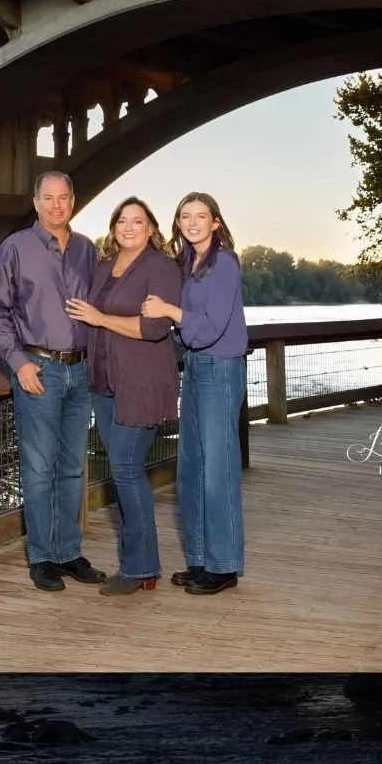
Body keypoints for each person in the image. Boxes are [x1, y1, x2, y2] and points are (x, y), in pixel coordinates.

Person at [0, 170, 107, 592]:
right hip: (38, 370)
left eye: (64, 197)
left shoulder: (88, 250)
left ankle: (69, 552)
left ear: (73, 201)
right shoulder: (15, 248)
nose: (56, 205)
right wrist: (18, 363)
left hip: (81, 370)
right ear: (35, 202)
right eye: (48, 198)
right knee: (38, 469)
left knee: (72, 468)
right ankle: (41, 558)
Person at [65, 198, 182, 596]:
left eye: (138, 221)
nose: (129, 227)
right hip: (103, 384)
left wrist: (100, 319)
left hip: (141, 383)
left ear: (151, 228)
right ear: (113, 227)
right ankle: (144, 566)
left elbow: (155, 328)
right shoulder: (102, 268)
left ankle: (139, 568)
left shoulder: (161, 268)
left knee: (127, 469)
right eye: (122, 221)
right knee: (123, 471)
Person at [141, 192, 248, 595]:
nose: (192, 222)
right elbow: (189, 332)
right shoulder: (188, 264)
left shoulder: (223, 263)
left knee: (218, 471)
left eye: (200, 216)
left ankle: (225, 566)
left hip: (220, 370)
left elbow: (214, 324)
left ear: (216, 222)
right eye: (185, 216)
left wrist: (170, 312)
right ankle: (201, 560)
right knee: (191, 469)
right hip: (197, 368)